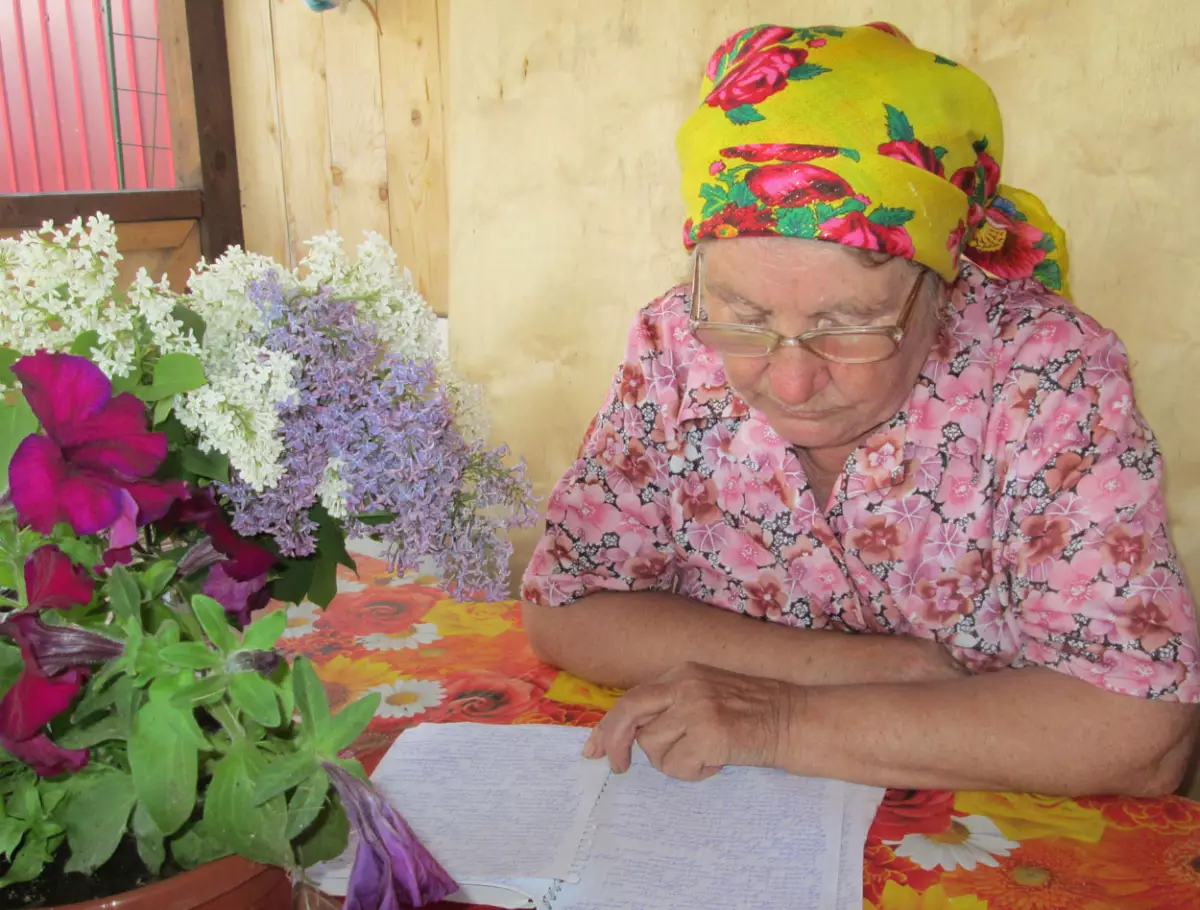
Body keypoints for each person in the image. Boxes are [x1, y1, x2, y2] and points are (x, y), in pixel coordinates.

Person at [520, 22, 1199, 797]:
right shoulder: (675, 341)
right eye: (742, 314)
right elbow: (567, 605)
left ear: (941, 287)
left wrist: (779, 722)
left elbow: (1140, 731)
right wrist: (855, 669)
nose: (792, 380)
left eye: (849, 326)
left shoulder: (1049, 376)